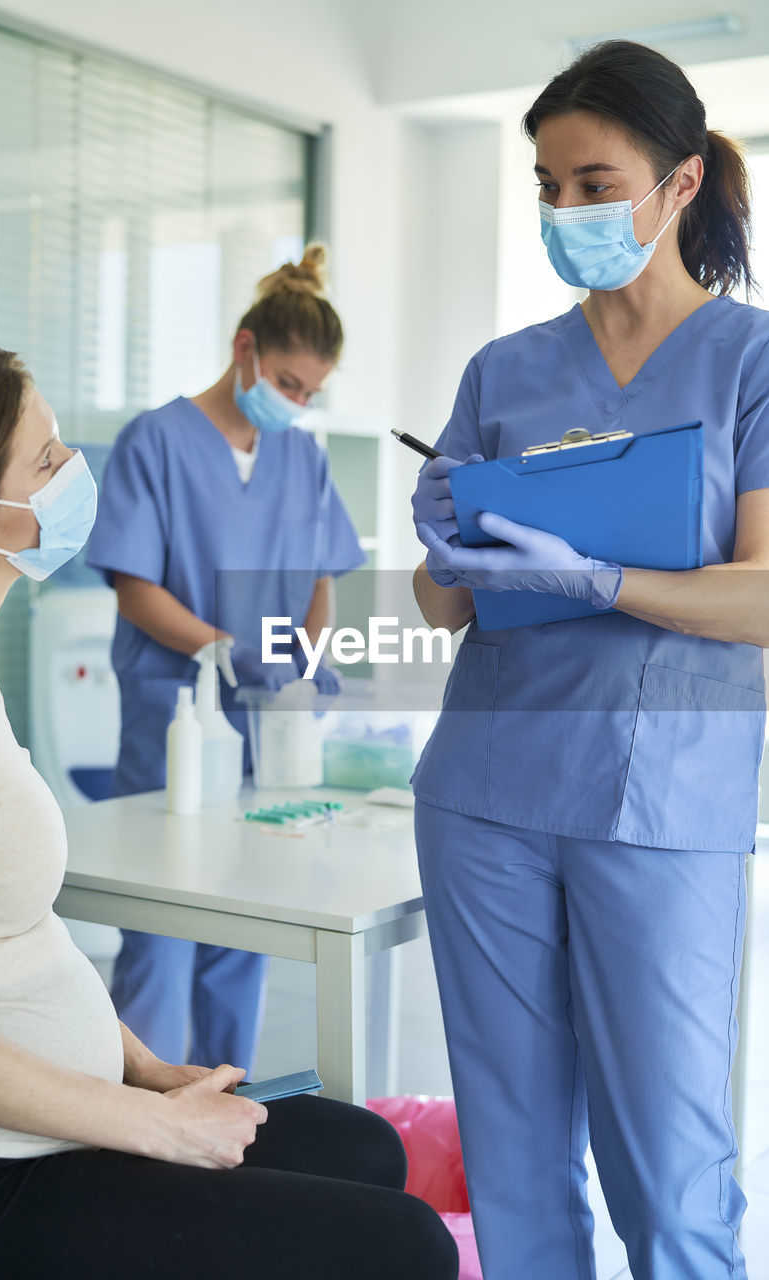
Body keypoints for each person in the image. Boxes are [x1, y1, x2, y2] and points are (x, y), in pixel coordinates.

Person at [0, 341, 458, 1280]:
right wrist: (158, 1127)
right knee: (402, 1246)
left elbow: (20, 942)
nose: (75, 475)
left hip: (73, 1102)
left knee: (367, 1149)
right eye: (46, 462)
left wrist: (147, 1069)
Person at [410, 40, 769, 1280]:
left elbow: (765, 593)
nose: (567, 211)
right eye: (548, 187)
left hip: (664, 799)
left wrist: (605, 581)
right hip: (483, 789)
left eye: (593, 183)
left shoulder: (751, 362)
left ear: (678, 186)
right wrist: (443, 545)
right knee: (510, 1162)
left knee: (670, 1172)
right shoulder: (501, 372)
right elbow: (443, 607)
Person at [85, 244, 365, 1074]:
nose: (296, 405)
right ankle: (130, 1121)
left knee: (246, 929)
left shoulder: (301, 457)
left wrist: (303, 660)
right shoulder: (156, 441)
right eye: (287, 384)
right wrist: (226, 651)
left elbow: (322, 578)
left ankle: (228, 1113)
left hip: (266, 730)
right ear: (245, 348)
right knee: (163, 931)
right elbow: (135, 587)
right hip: (175, 712)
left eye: (310, 393)